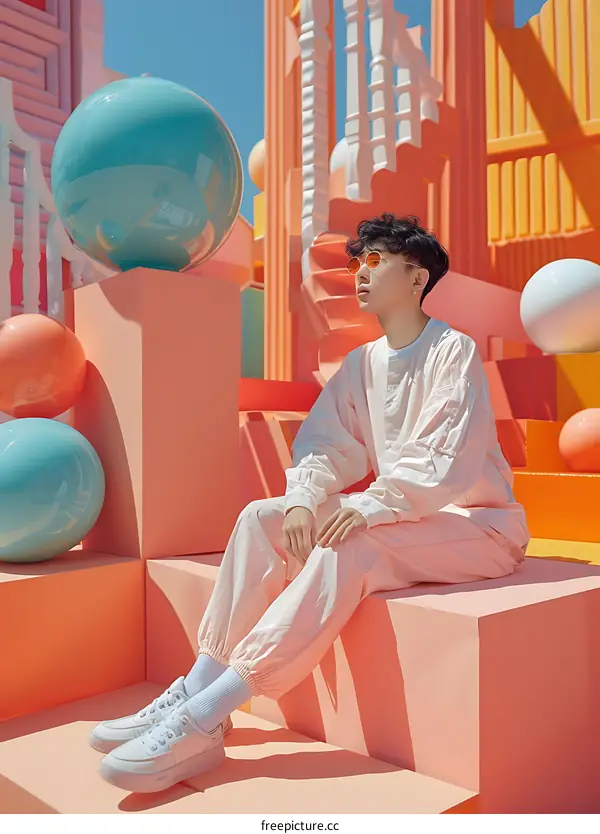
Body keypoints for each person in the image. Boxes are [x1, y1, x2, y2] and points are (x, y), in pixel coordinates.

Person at [91, 214, 529, 793]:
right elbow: (327, 443)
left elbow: (442, 455)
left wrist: (370, 506)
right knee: (261, 518)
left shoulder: (453, 351)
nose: (360, 274)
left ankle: (205, 715)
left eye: (375, 261)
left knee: (355, 546)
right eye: (357, 262)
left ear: (417, 277)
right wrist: (303, 498)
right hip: (408, 515)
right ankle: (199, 685)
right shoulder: (363, 363)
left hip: (477, 527)